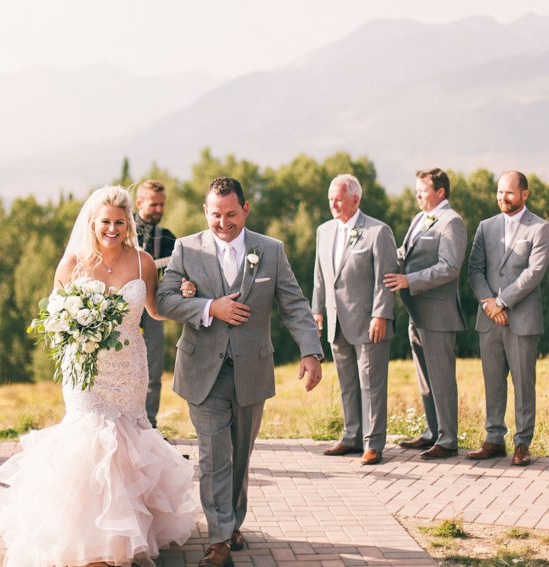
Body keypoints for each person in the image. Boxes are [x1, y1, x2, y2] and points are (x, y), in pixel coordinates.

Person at [0, 186, 196, 567]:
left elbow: (155, 310)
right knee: (89, 440)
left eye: (119, 222)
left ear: (129, 225)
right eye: (105, 221)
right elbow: (54, 320)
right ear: (93, 222)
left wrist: (185, 293)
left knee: (126, 443)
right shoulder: (73, 264)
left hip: (129, 368)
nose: (112, 229)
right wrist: (79, 331)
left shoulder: (142, 262)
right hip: (87, 371)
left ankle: (123, 534)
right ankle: (87, 538)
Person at [157, 177, 324, 566]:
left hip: (252, 370)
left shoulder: (271, 250)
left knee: (239, 454)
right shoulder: (186, 248)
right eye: (215, 215)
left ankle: (232, 523)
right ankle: (219, 541)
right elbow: (164, 300)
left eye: (231, 214)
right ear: (205, 211)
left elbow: (294, 304)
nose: (223, 223)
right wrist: (209, 307)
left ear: (245, 210)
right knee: (214, 455)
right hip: (203, 370)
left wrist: (310, 351)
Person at [466, 171, 549, 466]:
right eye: (500, 192)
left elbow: (534, 273)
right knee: (493, 382)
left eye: (510, 193)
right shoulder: (485, 226)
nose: (503, 198)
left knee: (524, 383)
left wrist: (502, 302)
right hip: (489, 319)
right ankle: (493, 439)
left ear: (525, 194)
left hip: (522, 320)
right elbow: (474, 270)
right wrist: (489, 304)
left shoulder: (540, 228)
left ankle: (522, 443)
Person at [312, 174, 397, 466]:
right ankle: (351, 437)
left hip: (369, 322)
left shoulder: (378, 231)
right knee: (347, 383)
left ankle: (373, 443)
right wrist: (317, 310)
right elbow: (320, 275)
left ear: (356, 199)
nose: (333, 204)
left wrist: (381, 314)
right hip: (336, 321)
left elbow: (385, 278)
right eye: (330, 199)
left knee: (371, 384)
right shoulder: (324, 231)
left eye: (339, 199)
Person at [384, 168, 466, 460]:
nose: (417, 195)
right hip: (416, 312)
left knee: (441, 378)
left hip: (438, 313)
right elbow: (404, 254)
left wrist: (409, 280)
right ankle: (433, 432)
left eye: (423, 190)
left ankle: (448, 439)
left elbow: (449, 267)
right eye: (416, 189)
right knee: (425, 379)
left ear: (440, 192)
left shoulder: (452, 222)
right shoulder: (419, 219)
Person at [134, 179, 177, 429]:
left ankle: (149, 425)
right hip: (124, 308)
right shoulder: (123, 228)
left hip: (154, 310)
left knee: (154, 369)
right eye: (153, 204)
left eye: (162, 204)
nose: (159, 209)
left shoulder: (168, 238)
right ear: (139, 202)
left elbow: (177, 272)